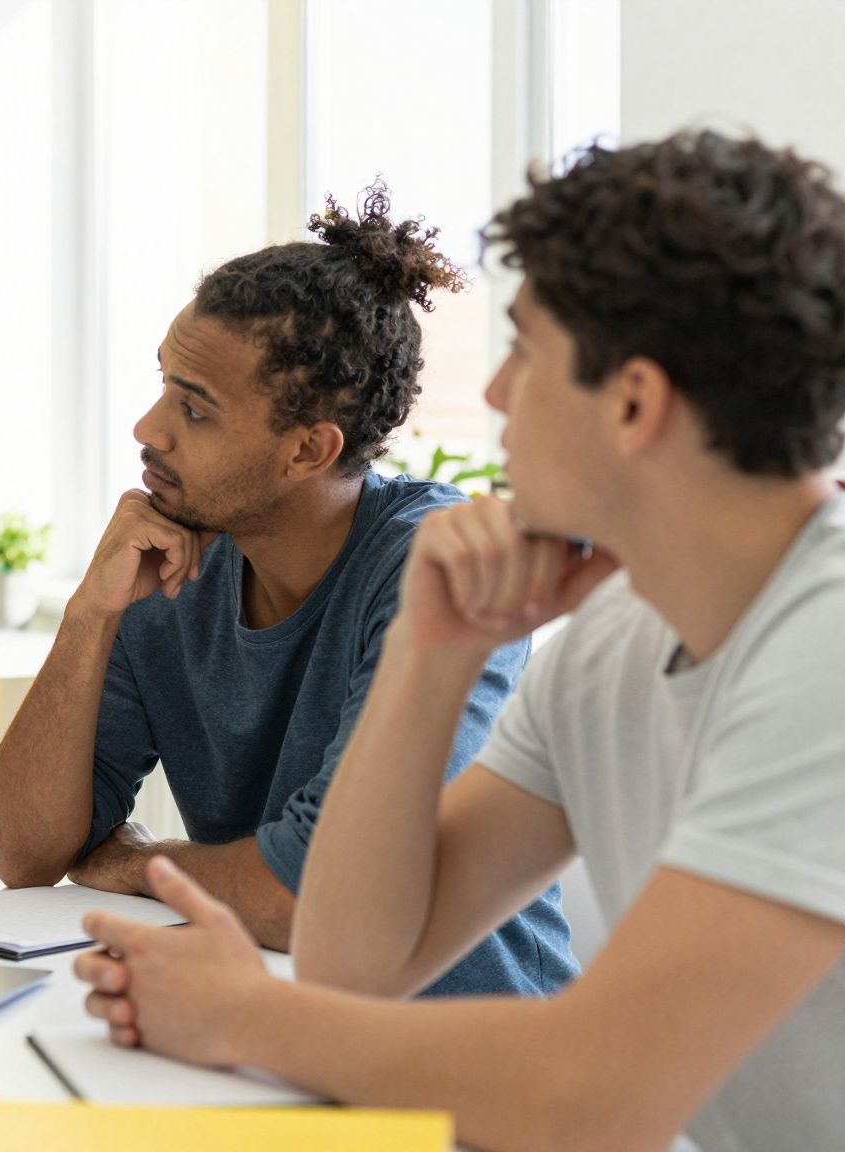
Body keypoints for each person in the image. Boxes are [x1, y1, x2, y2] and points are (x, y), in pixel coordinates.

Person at [73, 131, 845, 1152]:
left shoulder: (824, 647)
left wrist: (241, 1014)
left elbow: (595, 1095)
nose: (489, 397)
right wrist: (430, 651)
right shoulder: (615, 639)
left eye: (523, 352)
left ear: (631, 403)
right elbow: (358, 960)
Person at [0, 188, 573, 996]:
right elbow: (23, 854)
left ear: (307, 451)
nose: (148, 429)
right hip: (290, 1029)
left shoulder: (434, 568)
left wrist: (136, 863)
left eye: (193, 407)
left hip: (469, 1056)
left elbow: (313, 898)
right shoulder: (172, 557)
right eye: (164, 385)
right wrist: (90, 613)